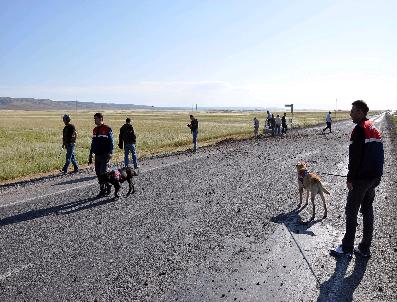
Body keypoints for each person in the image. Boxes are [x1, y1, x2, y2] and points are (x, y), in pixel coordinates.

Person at [330, 100, 384, 258]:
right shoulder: (373, 128)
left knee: (351, 211)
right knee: (367, 210)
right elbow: (379, 154)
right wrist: (377, 176)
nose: (350, 113)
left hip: (361, 179)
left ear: (360, 112)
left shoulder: (359, 129)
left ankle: (347, 247)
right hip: (374, 178)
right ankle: (365, 248)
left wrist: (350, 178)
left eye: (352, 111)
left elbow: (355, 158)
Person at [88, 113, 114, 197]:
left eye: (96, 118)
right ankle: (103, 188)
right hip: (97, 155)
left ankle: (107, 187)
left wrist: (110, 152)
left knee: (103, 172)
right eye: (94, 118)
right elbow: (93, 143)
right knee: (98, 173)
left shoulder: (107, 129)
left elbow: (111, 142)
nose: (94, 120)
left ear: (101, 118)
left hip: (105, 154)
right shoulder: (95, 129)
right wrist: (90, 154)